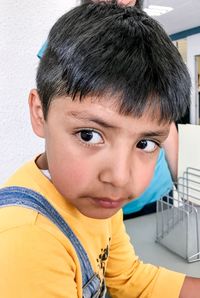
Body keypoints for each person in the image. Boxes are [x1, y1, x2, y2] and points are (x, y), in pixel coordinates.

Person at [0, 1, 199, 297]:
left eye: (145, 143)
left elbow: (128, 277)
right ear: (40, 112)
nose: (120, 177)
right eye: (89, 135)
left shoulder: (100, 201)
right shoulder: (27, 238)